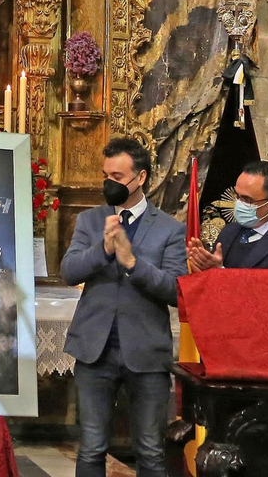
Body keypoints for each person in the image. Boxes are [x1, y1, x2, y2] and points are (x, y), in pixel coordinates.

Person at [61, 136, 186, 477]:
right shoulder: (90, 221)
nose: (109, 184)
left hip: (145, 352)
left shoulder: (169, 229)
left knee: (149, 449)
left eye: (118, 177)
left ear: (141, 178)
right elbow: (69, 271)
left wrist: (132, 262)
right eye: (106, 176)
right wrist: (102, 249)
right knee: (91, 448)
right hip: (95, 350)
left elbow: (177, 290)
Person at [187, 160, 268, 271]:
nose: (239, 203)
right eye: (238, 196)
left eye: (247, 199)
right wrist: (201, 270)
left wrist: (220, 273)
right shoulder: (229, 232)